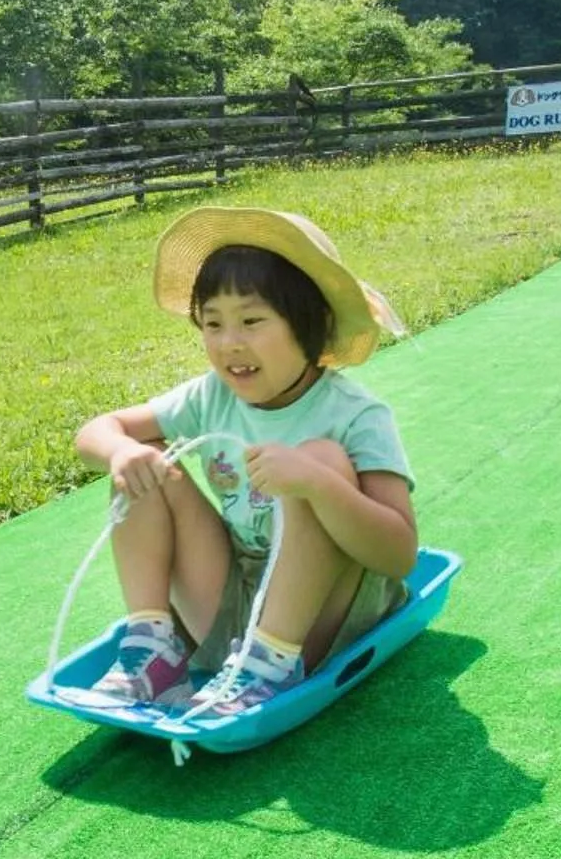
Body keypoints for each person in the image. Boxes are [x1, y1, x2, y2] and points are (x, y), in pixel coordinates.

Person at [72, 207, 418, 717]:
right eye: (213, 323)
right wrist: (122, 451)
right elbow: (98, 430)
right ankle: (156, 651)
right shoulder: (212, 397)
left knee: (318, 459)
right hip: (234, 605)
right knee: (148, 465)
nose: (229, 342)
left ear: (313, 326)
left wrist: (321, 486)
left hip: (327, 615)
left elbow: (398, 556)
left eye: (252, 321)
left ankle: (271, 663)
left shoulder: (354, 416)